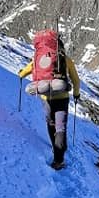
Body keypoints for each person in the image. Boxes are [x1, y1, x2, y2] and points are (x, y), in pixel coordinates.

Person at [18, 34, 80, 169]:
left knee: (50, 123)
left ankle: (55, 147)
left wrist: (21, 73)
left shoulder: (37, 60)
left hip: (46, 97)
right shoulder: (65, 59)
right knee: (60, 126)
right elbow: (76, 80)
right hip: (62, 96)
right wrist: (76, 94)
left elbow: (23, 73)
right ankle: (59, 160)